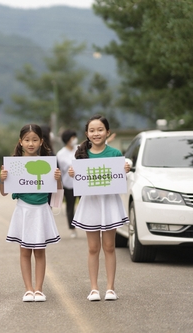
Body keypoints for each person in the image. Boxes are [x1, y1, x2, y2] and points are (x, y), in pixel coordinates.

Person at [67, 115, 130, 302]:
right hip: (91, 204)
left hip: (109, 203)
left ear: (107, 132)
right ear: (86, 134)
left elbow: (120, 181)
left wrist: (124, 171)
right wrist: (72, 174)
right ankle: (94, 288)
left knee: (109, 246)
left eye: (100, 129)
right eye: (92, 130)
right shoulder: (80, 156)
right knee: (93, 248)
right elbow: (79, 182)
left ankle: (110, 288)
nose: (96, 133)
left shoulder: (115, 154)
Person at [0, 124, 62, 302]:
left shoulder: (48, 164)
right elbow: (3, 192)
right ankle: (28, 289)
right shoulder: (13, 164)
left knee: (40, 251)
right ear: (20, 142)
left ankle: (39, 289)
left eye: (35, 140)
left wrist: (58, 180)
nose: (31, 143)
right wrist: (2, 179)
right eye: (27, 140)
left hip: (42, 210)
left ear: (41, 141)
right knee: (25, 251)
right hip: (23, 210)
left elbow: (57, 193)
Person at [56, 129, 79, 238]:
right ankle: (72, 228)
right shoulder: (60, 154)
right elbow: (62, 168)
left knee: (87, 203)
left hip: (81, 182)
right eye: (72, 137)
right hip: (68, 183)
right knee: (70, 206)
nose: (74, 140)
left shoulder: (79, 149)